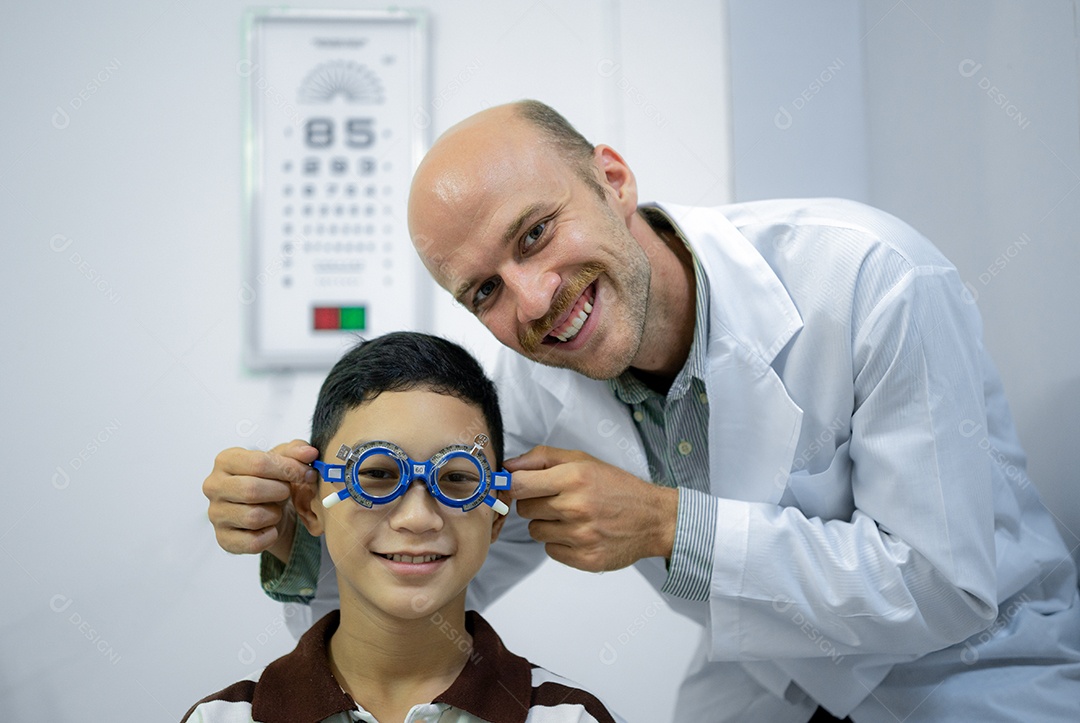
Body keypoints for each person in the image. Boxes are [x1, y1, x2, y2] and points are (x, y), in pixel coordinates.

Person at [203, 101, 1080, 721]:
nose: (535, 299)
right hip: (769, 685)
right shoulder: (532, 393)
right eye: (484, 291)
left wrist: (668, 524)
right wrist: (297, 537)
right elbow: (419, 574)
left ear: (613, 179)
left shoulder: (873, 280)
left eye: (535, 234)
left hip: (975, 674)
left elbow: (944, 585)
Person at [189, 332, 623, 723]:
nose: (418, 519)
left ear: (496, 513)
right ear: (308, 505)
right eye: (376, 474)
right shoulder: (222, 718)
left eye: (457, 477)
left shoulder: (571, 718)